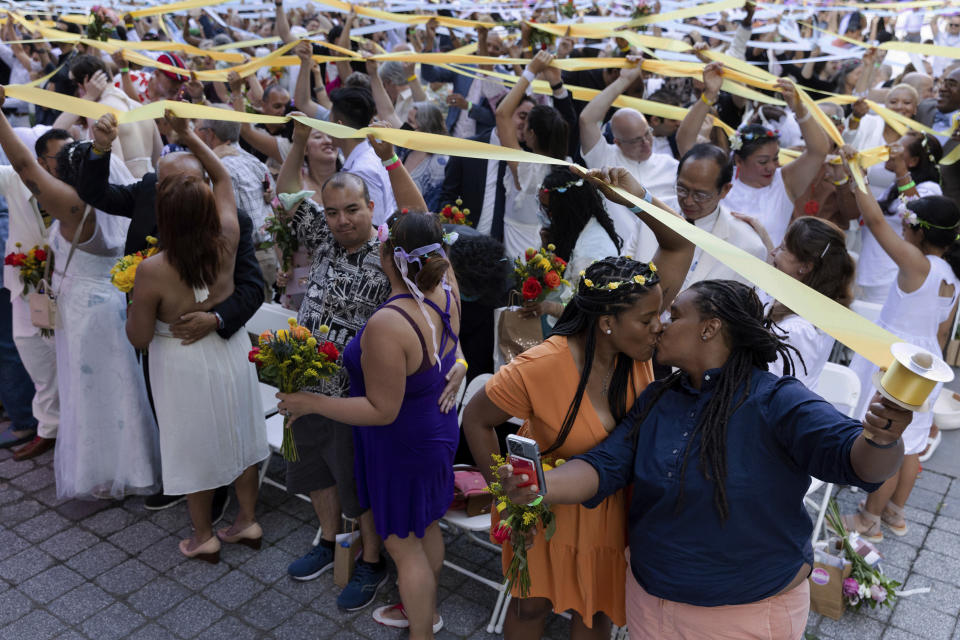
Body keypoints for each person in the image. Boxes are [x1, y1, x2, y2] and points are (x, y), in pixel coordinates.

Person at [497, 278, 912, 640]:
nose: (660, 324)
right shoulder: (660, 397)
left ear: (709, 329)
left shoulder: (777, 400)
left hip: (743, 617)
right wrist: (542, 488)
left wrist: (879, 438)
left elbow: (858, 464)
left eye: (674, 314)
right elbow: (605, 464)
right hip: (650, 606)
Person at [462, 167, 694, 640]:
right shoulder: (541, 366)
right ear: (607, 323)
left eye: (659, 316)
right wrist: (507, 497)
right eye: (649, 319)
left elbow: (680, 245)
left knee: (596, 615)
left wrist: (637, 198)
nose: (660, 327)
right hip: (549, 510)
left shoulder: (639, 347)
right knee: (531, 610)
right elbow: (476, 419)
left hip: (615, 514)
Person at [274, 118, 465, 610]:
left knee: (356, 487)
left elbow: (423, 222)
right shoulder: (320, 235)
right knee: (313, 471)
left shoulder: (392, 255)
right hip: (306, 381)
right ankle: (328, 539)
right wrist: (298, 144)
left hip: (358, 397)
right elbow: (289, 189)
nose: (341, 220)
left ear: (371, 208)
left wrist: (392, 158)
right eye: (333, 211)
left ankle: (371, 561)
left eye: (352, 209)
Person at [74, 112, 265, 514]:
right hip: (171, 349)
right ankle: (217, 500)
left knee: (203, 428)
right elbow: (96, 193)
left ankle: (206, 514)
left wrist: (215, 318)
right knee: (189, 423)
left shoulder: (222, 232)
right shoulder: (209, 218)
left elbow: (253, 289)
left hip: (200, 340)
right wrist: (100, 148)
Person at [0, 86, 159, 499]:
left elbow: (21, 163)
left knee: (91, 393)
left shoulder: (72, 205)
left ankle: (105, 474)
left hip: (86, 313)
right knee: (122, 386)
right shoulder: (113, 200)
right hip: (113, 302)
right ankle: (137, 466)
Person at [125, 113, 267, 562]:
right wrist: (187, 135)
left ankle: (202, 535)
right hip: (230, 351)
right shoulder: (227, 234)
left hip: (180, 358)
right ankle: (247, 520)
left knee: (192, 444)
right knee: (240, 434)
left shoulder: (151, 271)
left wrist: (132, 300)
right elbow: (223, 175)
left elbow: (140, 337)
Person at [845, 169, 960, 542]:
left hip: (895, 358)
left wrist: (855, 175)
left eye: (907, 223)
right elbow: (943, 334)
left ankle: (869, 519)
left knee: (886, 440)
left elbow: (876, 221)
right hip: (928, 362)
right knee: (911, 443)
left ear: (919, 231)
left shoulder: (916, 263)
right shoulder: (952, 278)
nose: (902, 229)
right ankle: (895, 513)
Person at [678, 62, 830, 248]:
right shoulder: (720, 176)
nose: (772, 166)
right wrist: (709, 95)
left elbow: (819, 151)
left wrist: (798, 108)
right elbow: (685, 140)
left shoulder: (785, 183)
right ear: (739, 160)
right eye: (763, 161)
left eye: (775, 158)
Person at [736, 215, 856, 389]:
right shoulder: (810, 299)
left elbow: (765, 385)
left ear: (805, 267)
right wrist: (762, 234)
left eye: (783, 248)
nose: (773, 252)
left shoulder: (800, 331)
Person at [0, 128, 62, 460]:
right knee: (32, 354)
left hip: (65, 288)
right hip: (25, 289)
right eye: (54, 159)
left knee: (63, 356)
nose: (61, 165)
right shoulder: (11, 180)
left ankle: (67, 427)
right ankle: (48, 428)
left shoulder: (72, 182)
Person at [579, 55, 679, 260]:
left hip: (662, 256)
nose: (646, 143)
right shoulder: (605, 157)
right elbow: (586, 119)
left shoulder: (671, 165)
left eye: (647, 134)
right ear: (617, 141)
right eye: (635, 140)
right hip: (616, 257)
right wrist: (624, 80)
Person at [521, 166, 623, 325]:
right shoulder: (571, 231)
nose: (545, 215)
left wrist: (548, 307)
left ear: (566, 210)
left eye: (549, 209)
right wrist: (546, 247)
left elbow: (588, 311)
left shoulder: (590, 252)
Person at [496, 52, 572, 259]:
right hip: (552, 260)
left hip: (519, 259)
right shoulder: (568, 167)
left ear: (532, 134)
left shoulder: (527, 169)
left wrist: (530, 71)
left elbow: (502, 114)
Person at [195, 114, 277, 301]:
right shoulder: (253, 160)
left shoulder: (221, 169)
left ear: (210, 134)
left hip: (243, 262)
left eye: (197, 130)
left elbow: (218, 221)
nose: (195, 136)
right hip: (266, 255)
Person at [664, 143, 767, 290]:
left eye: (701, 195)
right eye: (682, 189)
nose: (688, 201)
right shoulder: (651, 213)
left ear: (725, 190)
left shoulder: (748, 247)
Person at [855, 131, 942, 303]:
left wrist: (900, 168)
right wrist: (858, 175)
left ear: (914, 161)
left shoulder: (931, 189)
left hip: (892, 275)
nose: (889, 150)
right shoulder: (893, 188)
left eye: (898, 149)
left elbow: (914, 215)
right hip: (872, 272)